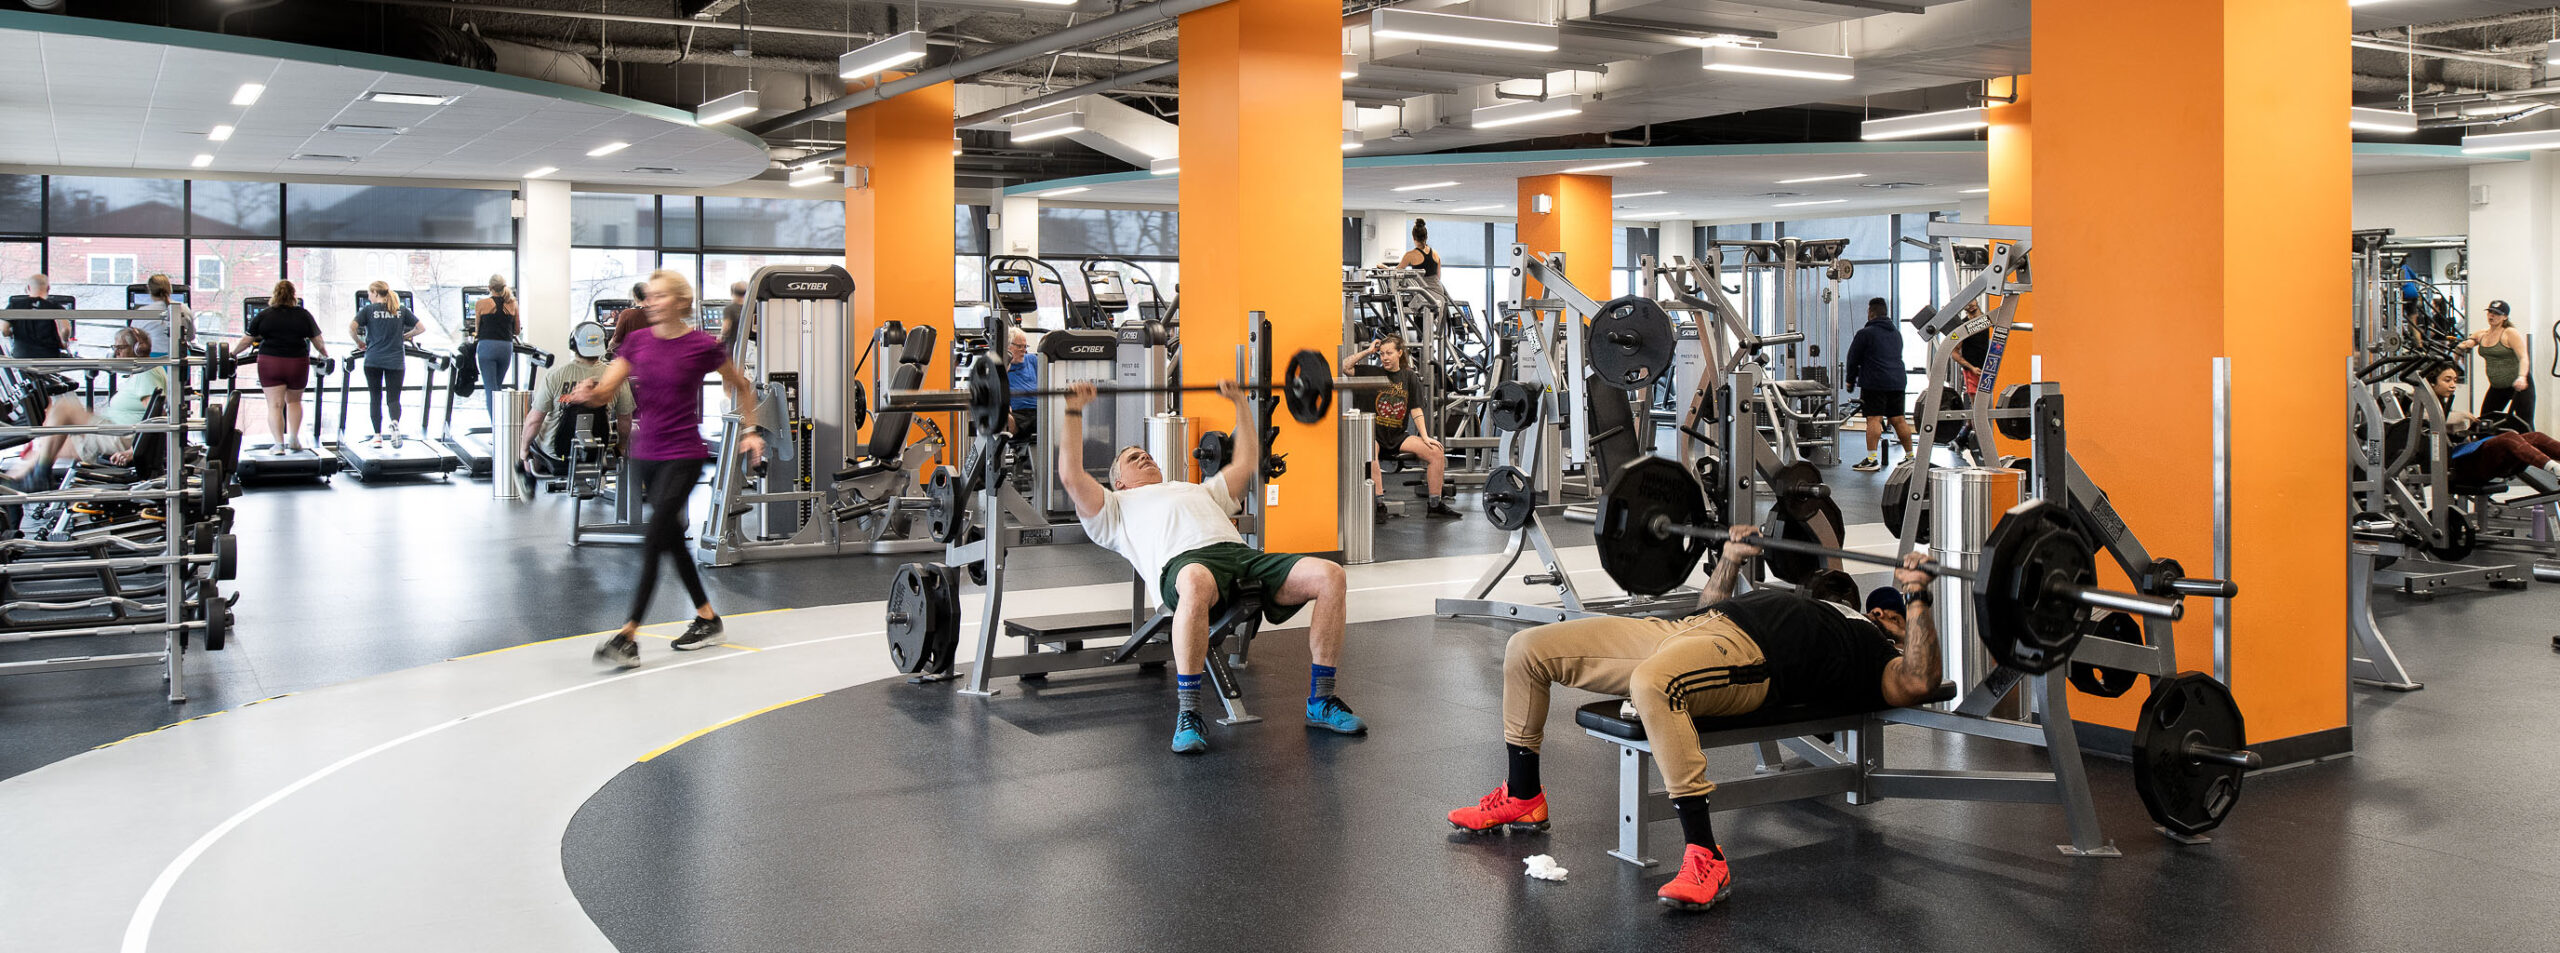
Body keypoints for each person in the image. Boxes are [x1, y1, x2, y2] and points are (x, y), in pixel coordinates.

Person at [1446, 528, 1941, 911]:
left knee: (1653, 683)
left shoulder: (1870, 644)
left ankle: (1706, 856)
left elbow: (1918, 682)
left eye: (1889, 614)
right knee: (1527, 648)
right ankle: (1523, 795)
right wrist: (1728, 559)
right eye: (1875, 608)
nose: (1878, 612)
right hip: (1688, 627)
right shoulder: (1799, 601)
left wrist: (1916, 597)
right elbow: (1709, 607)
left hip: (1754, 659)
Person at [1058, 379, 1367, 755]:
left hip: (1240, 558)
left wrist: (1240, 402)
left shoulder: (1197, 489)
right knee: (1195, 579)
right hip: (1184, 565)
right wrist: (1074, 410)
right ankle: (1189, 713)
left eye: (1145, 453)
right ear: (1119, 481)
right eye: (1132, 458)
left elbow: (1247, 461)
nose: (1144, 457)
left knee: (1331, 575)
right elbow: (1072, 477)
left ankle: (1322, 700)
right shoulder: (1114, 508)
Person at [569, 269, 764, 668]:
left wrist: (750, 429)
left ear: (679, 302)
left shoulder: (700, 346)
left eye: (659, 296)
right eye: (649, 297)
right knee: (671, 539)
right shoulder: (637, 342)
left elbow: (740, 385)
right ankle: (708, 617)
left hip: (684, 454)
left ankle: (628, 635)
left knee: (654, 539)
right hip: (646, 454)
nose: (650, 302)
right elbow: (607, 389)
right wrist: (588, 394)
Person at [6, 329, 164, 483]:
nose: (116, 353)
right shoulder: (143, 371)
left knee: (64, 408)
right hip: (116, 431)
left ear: (137, 349)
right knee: (46, 443)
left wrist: (132, 451)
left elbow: (157, 417)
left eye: (120, 348)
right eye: (114, 348)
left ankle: (35, 477)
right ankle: (16, 482)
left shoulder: (146, 374)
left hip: (122, 436)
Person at [1347, 333, 1458, 521]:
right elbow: (1345, 366)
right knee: (1370, 449)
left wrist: (1425, 436)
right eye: (1381, 354)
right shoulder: (1371, 372)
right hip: (1373, 435)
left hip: (1398, 436)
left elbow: (1416, 409)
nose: (1385, 357)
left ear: (1400, 353)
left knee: (1436, 452)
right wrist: (1367, 351)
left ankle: (1435, 505)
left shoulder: (1409, 376)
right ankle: (1379, 505)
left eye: (1389, 353)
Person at [2422, 360, 2560, 485]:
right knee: (2508, 438)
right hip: (2457, 465)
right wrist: (2460, 416)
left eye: (2455, 380)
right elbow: (2428, 419)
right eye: (2447, 380)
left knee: (2535, 436)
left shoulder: (2443, 404)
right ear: (2432, 382)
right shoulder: (2419, 404)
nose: (2453, 385)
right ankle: (2556, 469)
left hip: (2468, 458)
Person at [231, 280, 327, 453]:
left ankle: (278, 445)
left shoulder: (265, 314)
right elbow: (318, 340)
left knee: (275, 405)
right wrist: (325, 354)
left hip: (271, 362)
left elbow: (246, 341)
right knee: (294, 402)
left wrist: (232, 354)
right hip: (297, 362)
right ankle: (294, 439)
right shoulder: (303, 314)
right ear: (293, 295)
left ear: (275, 294)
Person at [520, 330, 633, 476]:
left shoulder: (554, 376)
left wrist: (524, 450)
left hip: (557, 454)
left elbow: (534, 422)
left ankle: (528, 479)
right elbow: (625, 421)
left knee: (531, 440)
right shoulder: (616, 378)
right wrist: (621, 448)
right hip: (597, 451)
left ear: (573, 345)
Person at [1844, 297, 1913, 472]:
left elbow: (1853, 359)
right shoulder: (1896, 333)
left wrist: (1850, 380)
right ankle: (1910, 457)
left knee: (1873, 419)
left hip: (1876, 382)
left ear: (1870, 312)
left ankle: (1872, 459)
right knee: (1898, 419)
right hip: (1897, 381)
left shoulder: (1865, 334)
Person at [348, 281, 421, 441]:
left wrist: (359, 343)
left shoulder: (368, 310)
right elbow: (421, 327)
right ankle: (394, 424)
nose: (368, 296)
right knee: (394, 398)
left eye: (369, 293)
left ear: (375, 292)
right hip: (396, 361)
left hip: (373, 360)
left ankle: (377, 436)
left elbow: (351, 328)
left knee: (375, 397)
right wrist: (404, 337)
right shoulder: (400, 310)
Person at [2453, 299, 2533, 428]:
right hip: (2497, 387)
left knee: (2524, 424)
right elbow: (2470, 340)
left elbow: (2523, 357)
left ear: (2505, 317)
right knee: (2485, 421)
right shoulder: (2482, 333)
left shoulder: (2510, 333)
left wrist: (2522, 377)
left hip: (2518, 386)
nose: (2492, 316)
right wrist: (2467, 344)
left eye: (2496, 313)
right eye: (2490, 312)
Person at [472, 275, 521, 423]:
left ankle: (497, 429)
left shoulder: (481, 303)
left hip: (487, 347)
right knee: (497, 387)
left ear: (489, 288)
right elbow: (517, 330)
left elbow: (478, 329)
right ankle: (502, 427)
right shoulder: (512, 304)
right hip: (505, 348)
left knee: (491, 389)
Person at [5, 274, 71, 360]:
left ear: (28, 288)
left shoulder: (14, 305)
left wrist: (11, 335)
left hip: (22, 355)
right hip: (49, 356)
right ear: (48, 288)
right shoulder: (54, 306)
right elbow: (66, 329)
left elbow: (4, 330)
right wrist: (64, 342)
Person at [137, 273, 190, 358]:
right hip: (180, 358)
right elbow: (191, 336)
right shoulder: (184, 309)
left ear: (149, 290)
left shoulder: (142, 312)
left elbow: (134, 340)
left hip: (152, 359)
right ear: (170, 289)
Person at [1002, 324, 1039, 438]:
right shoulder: (1001, 366)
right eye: (1019, 347)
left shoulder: (1032, 360)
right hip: (1017, 414)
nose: (1024, 350)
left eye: (1025, 346)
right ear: (1007, 346)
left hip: (1039, 411)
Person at [608, 282, 651, 354]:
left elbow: (616, 341)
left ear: (634, 295)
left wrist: (608, 348)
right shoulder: (656, 313)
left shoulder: (626, 314)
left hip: (632, 358)